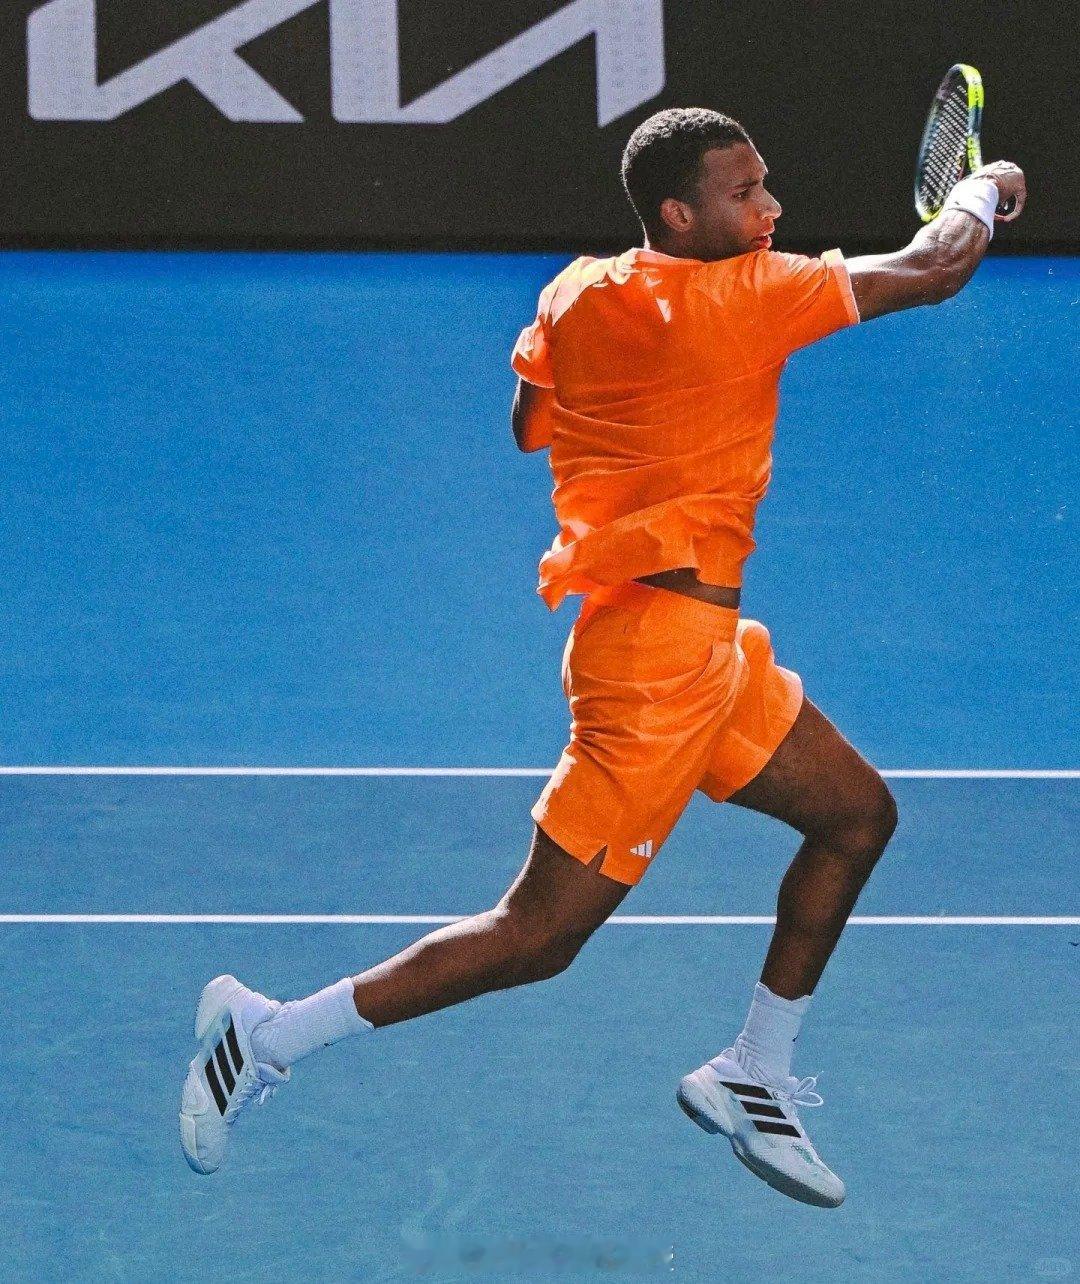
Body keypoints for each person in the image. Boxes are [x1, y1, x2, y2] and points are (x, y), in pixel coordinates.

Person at [179, 108, 1026, 1205]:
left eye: (765, 185)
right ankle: (266, 1034)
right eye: (743, 195)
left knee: (857, 816)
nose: (770, 210)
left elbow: (532, 423)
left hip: (697, 647)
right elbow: (936, 267)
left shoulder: (578, 292)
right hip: (653, 673)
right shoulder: (745, 298)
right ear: (679, 214)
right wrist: (983, 190)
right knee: (536, 937)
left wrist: (647, 411)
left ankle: (754, 1071)